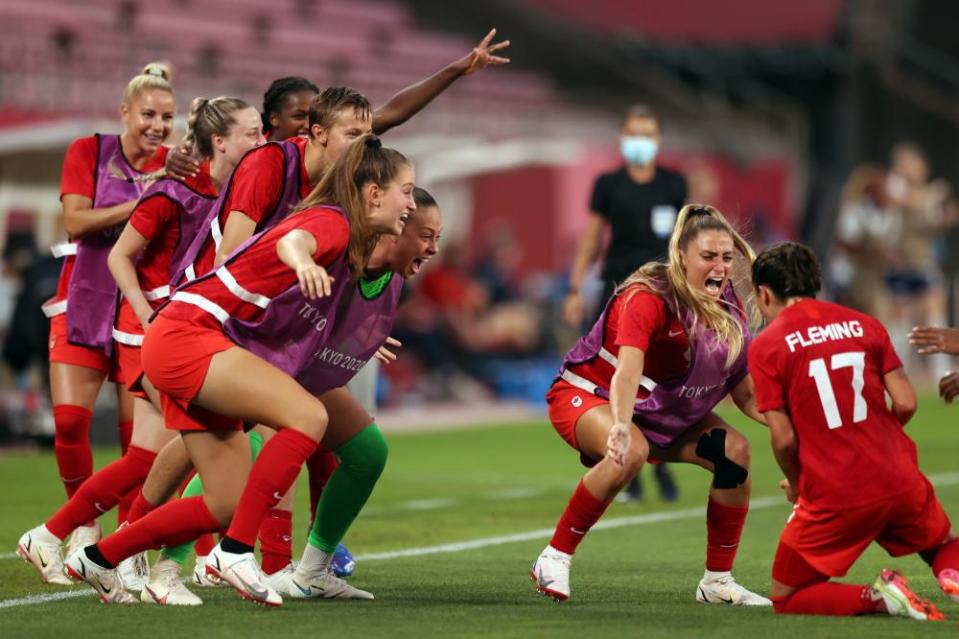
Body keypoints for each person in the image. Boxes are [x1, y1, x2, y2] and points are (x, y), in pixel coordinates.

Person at [64, 134, 414, 606]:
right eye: (406, 190)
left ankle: (100, 558)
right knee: (309, 416)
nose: (410, 203)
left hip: (185, 338)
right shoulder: (336, 222)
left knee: (223, 503)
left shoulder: (346, 236)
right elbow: (296, 240)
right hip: (191, 335)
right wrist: (301, 260)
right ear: (373, 193)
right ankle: (234, 551)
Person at [15, 96, 264, 596]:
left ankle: (57, 536)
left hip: (182, 329)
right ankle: (142, 559)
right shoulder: (174, 192)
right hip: (149, 332)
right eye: (253, 135)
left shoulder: (229, 191)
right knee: (202, 436)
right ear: (219, 142)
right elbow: (120, 257)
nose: (262, 144)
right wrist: (149, 312)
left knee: (147, 457)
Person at [531, 204, 769, 606]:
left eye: (727, 257)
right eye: (708, 256)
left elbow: (745, 392)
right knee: (630, 450)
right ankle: (554, 556)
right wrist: (620, 424)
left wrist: (795, 423)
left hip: (657, 410)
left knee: (735, 453)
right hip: (591, 395)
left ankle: (717, 582)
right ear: (681, 257)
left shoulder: (728, 305)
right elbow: (627, 370)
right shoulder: (648, 296)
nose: (721, 266)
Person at [748, 241, 957, 620]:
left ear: (764, 294)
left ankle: (879, 597)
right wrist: (875, 442)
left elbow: (783, 438)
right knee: (941, 544)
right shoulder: (864, 323)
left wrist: (798, 485)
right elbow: (907, 402)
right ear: (816, 283)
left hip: (836, 491)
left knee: (787, 596)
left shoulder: (767, 346)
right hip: (897, 474)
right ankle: (953, 575)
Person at [42, 62, 175, 561]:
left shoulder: (175, 164)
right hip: (85, 299)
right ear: (124, 112)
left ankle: (124, 545)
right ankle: (81, 528)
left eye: (167, 116)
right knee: (70, 423)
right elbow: (76, 221)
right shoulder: (89, 150)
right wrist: (149, 197)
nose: (158, 126)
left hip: (141, 311)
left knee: (136, 444)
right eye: (148, 114)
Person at [563, 104, 688, 503]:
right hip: (618, 288)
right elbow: (593, 235)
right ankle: (623, 464)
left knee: (661, 377)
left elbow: (683, 240)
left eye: (648, 133)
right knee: (614, 373)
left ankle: (661, 463)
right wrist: (575, 286)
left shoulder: (673, 183)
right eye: (634, 133)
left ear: (658, 139)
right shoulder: (608, 184)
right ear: (622, 137)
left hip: (663, 289)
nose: (641, 141)